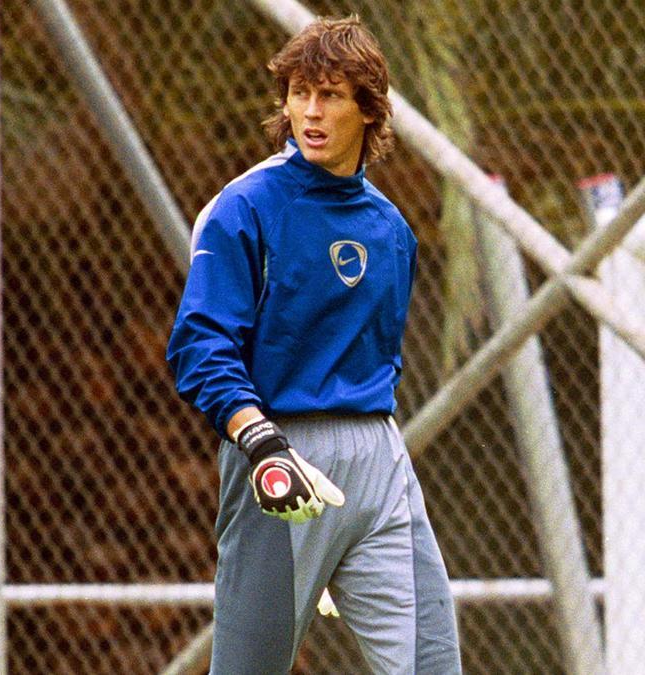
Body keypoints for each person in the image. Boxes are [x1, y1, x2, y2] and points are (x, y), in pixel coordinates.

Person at [166, 16, 461, 674]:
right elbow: (199, 347)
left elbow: (377, 360)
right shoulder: (243, 209)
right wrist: (263, 444)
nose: (311, 111)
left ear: (370, 108)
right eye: (300, 93)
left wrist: (347, 532)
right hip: (279, 455)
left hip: (381, 461)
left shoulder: (392, 230)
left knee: (432, 665)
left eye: (330, 94)